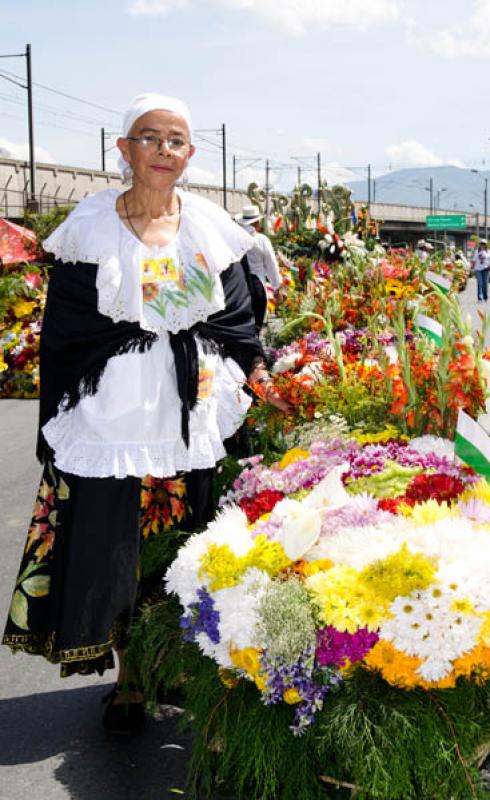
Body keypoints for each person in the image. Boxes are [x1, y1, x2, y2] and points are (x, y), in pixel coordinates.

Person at [2, 93, 288, 735]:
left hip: (193, 421)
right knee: (115, 552)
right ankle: (130, 677)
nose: (164, 149)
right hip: (113, 421)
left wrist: (257, 370)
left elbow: (240, 317)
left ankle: (181, 665)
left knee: (186, 546)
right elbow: (66, 331)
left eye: (176, 139)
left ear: (190, 153)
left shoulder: (211, 226)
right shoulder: (91, 225)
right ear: (124, 150)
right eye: (149, 137)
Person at [235, 205, 281, 332]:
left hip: (238, 286)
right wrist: (276, 287)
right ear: (256, 222)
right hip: (257, 286)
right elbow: (271, 264)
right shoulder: (261, 240)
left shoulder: (236, 238)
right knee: (256, 324)